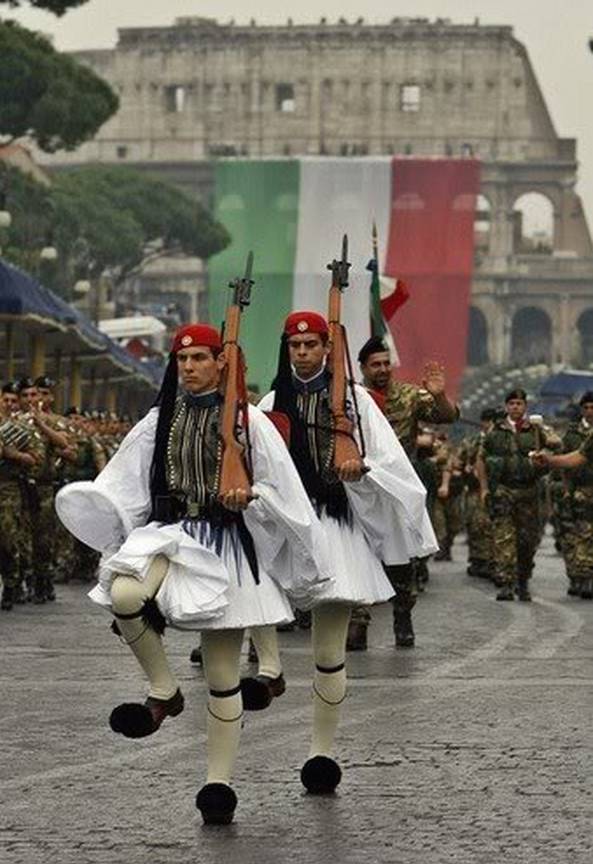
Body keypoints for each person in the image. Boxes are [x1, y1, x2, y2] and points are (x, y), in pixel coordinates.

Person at [55, 323, 330, 825]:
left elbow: (283, 490)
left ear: (220, 363)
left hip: (227, 545)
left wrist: (250, 496)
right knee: (124, 593)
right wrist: (104, 512)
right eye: (182, 360)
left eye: (200, 359)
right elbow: (123, 482)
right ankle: (163, 690)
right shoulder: (158, 421)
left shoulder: (250, 423)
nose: (189, 368)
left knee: (224, 676)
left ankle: (217, 784)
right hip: (173, 535)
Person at [246, 312, 437, 795]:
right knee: (248, 581)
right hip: (290, 526)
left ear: (327, 350)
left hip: (335, 525)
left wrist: (360, 468)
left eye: (312, 345)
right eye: (296, 346)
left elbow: (391, 463)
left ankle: (321, 752)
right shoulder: (270, 405)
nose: (304, 353)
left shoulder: (355, 403)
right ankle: (269, 669)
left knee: (329, 652)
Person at [348, 336, 458, 648]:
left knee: (399, 560)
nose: (383, 370)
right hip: (361, 489)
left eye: (386, 363)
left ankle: (402, 614)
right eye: (376, 365)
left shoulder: (409, 396)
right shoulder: (351, 398)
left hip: (396, 489)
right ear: (363, 368)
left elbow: (448, 416)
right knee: (360, 554)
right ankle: (358, 621)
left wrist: (438, 397)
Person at [476, 389, 556, 601]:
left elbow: (557, 445)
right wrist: (484, 488)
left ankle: (523, 580)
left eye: (519, 403)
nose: (515, 407)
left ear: (525, 406)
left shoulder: (536, 430)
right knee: (504, 539)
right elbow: (481, 460)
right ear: (506, 406)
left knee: (526, 541)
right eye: (511, 403)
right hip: (503, 491)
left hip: (528, 493)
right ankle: (505, 583)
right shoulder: (495, 432)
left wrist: (544, 436)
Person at [531, 397, 593, 598]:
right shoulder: (579, 436)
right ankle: (582, 578)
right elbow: (575, 459)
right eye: (587, 407)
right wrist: (549, 460)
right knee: (581, 535)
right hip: (583, 492)